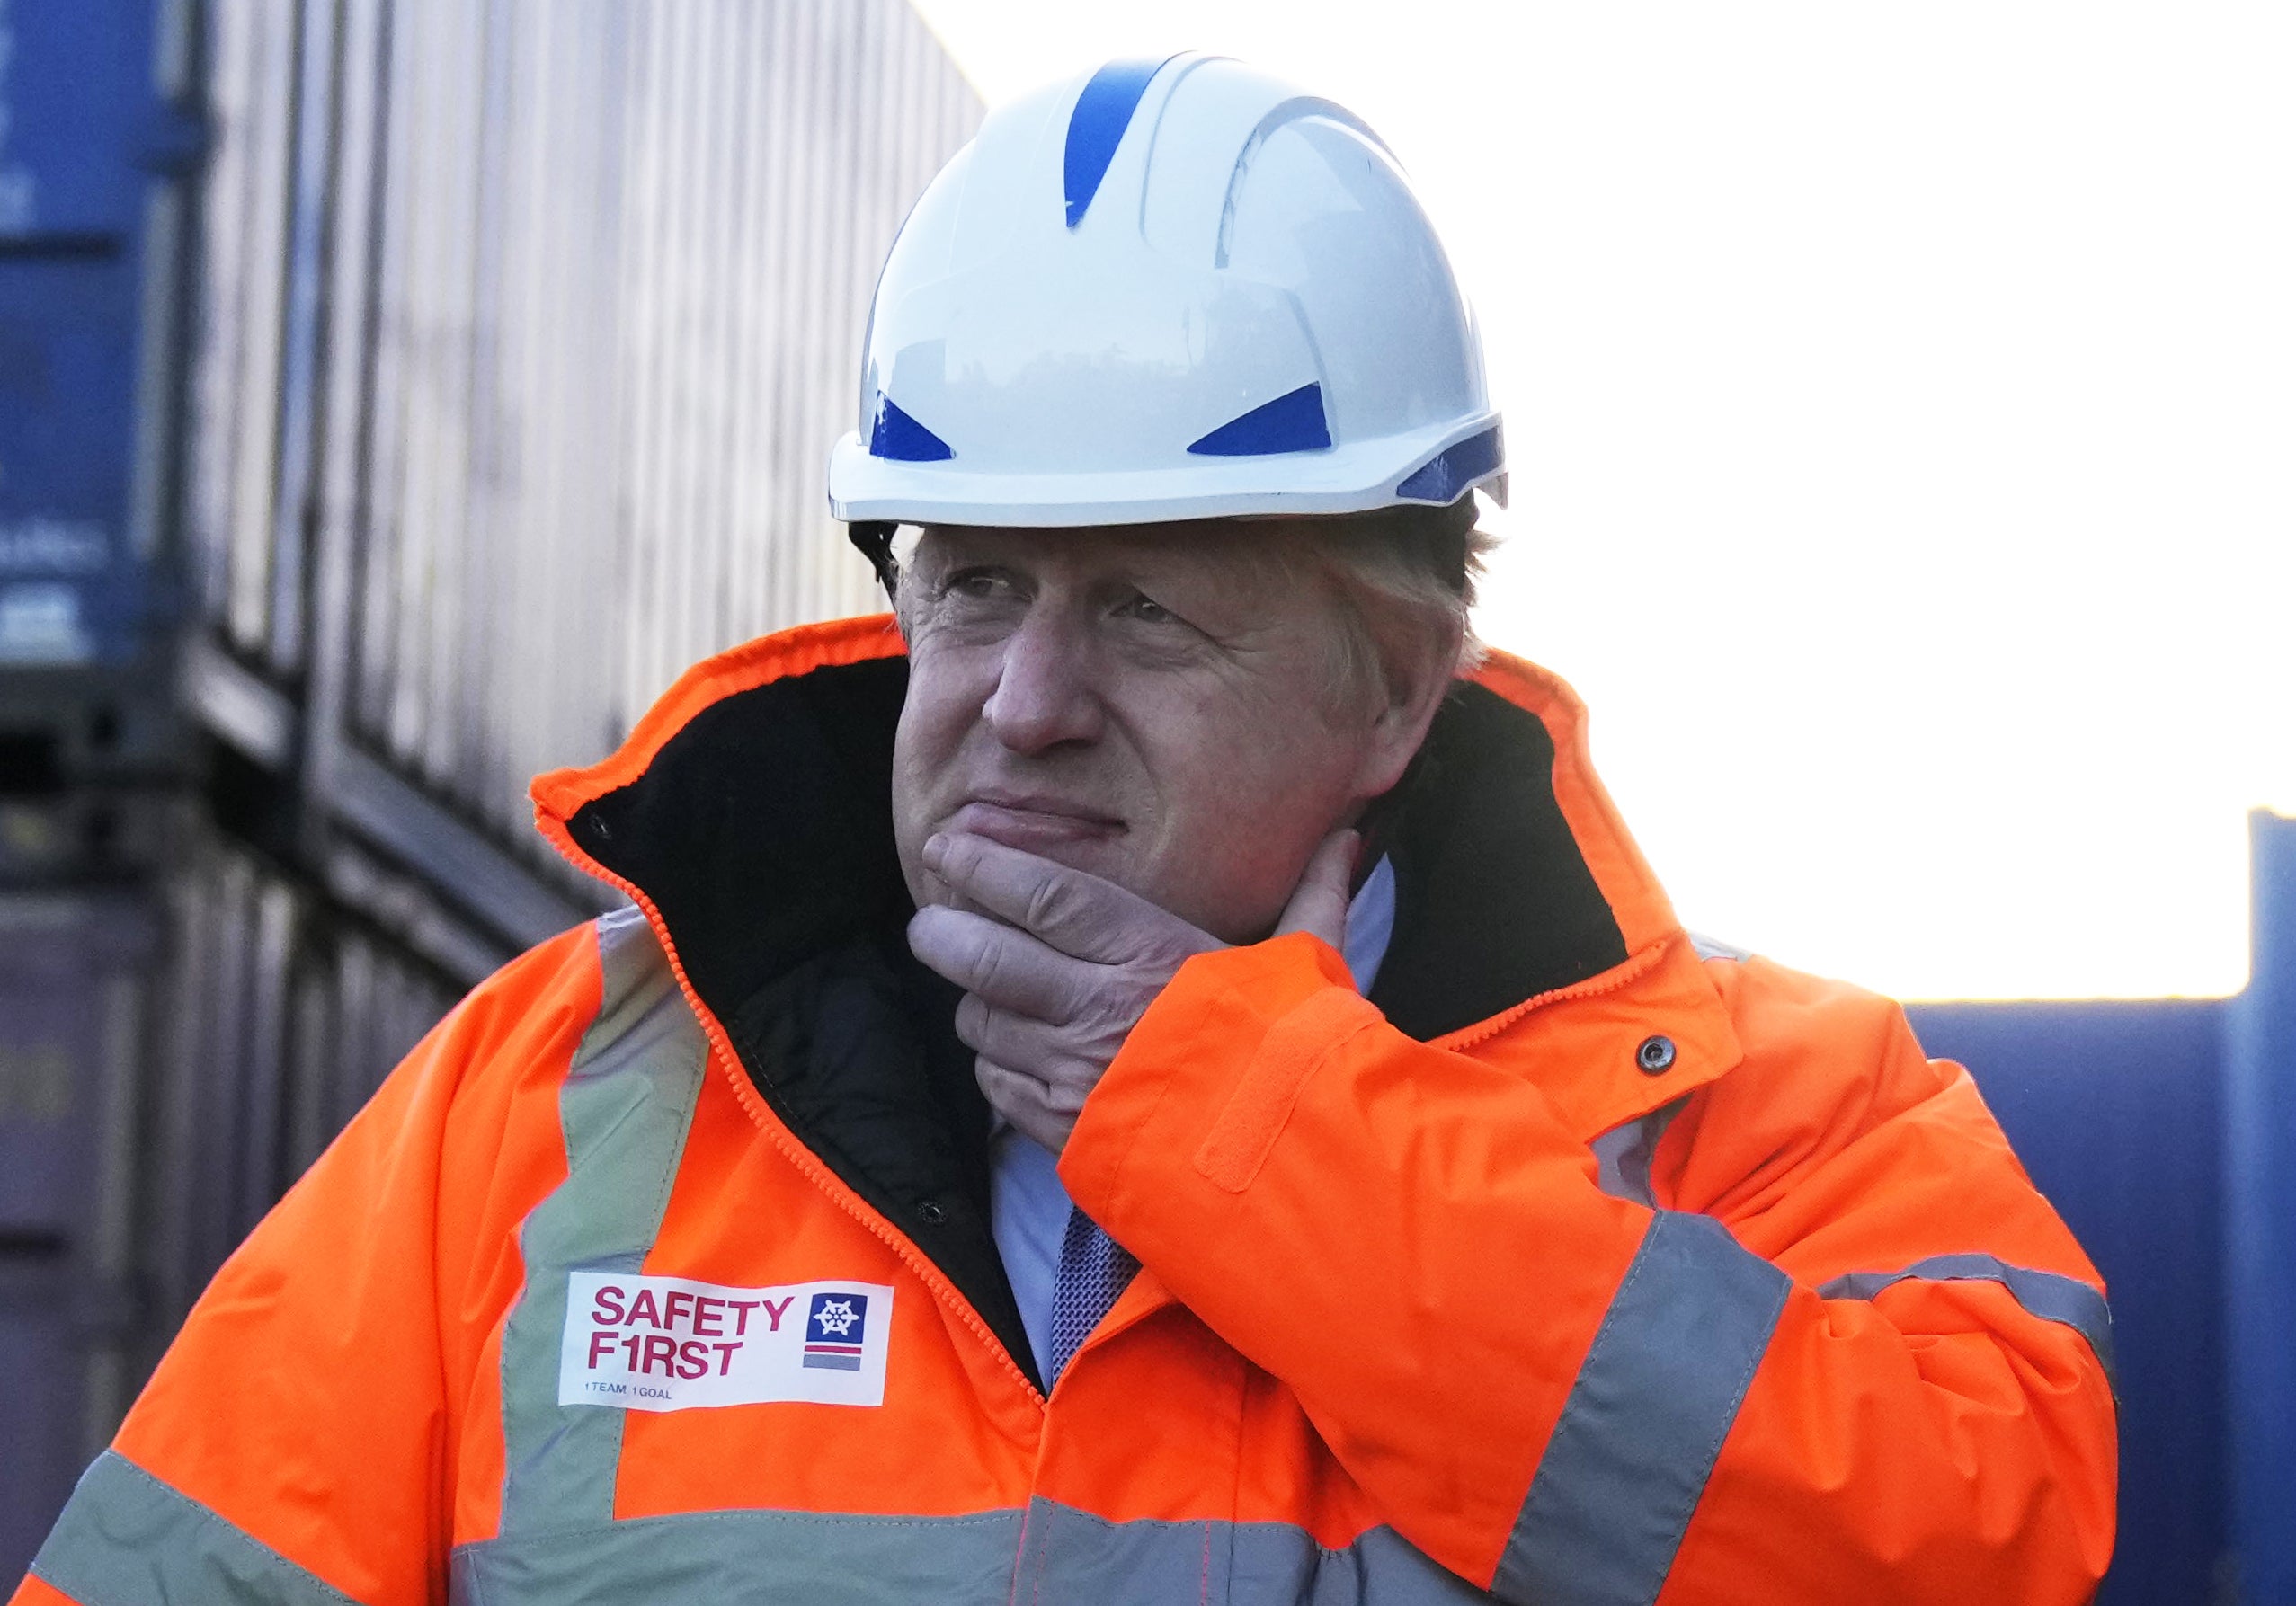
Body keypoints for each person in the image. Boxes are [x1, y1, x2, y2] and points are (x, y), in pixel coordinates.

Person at [16, 55, 2114, 1606]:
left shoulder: (1762, 1114)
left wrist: (1253, 1126)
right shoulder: (553, 1096)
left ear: (1395, 687)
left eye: (1144, 611)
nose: (1022, 704)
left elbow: (1965, 1545)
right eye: (976, 590)